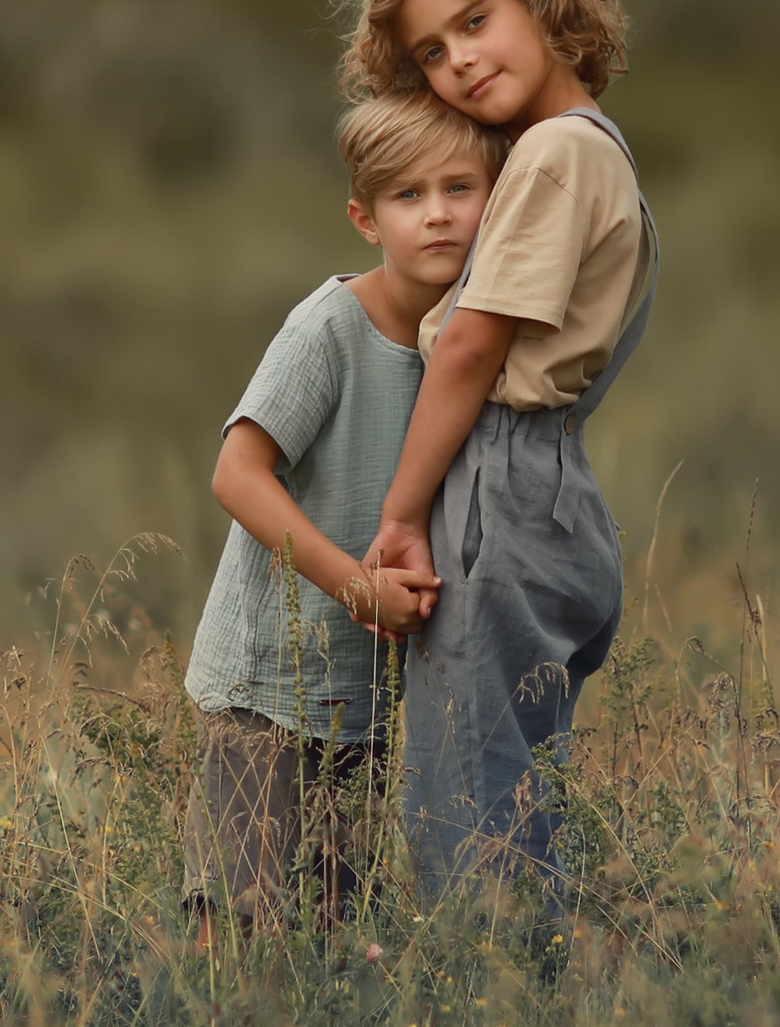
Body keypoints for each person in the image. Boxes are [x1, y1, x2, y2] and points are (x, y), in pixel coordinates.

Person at [341, 0, 657, 898]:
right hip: (551, 484)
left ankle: (501, 990)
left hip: (503, 487)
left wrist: (398, 516)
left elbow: (475, 344)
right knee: (511, 805)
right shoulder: (592, 145)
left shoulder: (558, 153)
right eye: (431, 53)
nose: (460, 62)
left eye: (475, 20)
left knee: (469, 834)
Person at [178, 88, 507, 940]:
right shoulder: (328, 329)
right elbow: (237, 474)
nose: (438, 216)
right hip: (266, 688)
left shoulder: (467, 345)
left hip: (364, 699)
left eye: (459, 190)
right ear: (366, 218)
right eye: (409, 196)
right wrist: (355, 587)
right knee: (238, 929)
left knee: (331, 932)